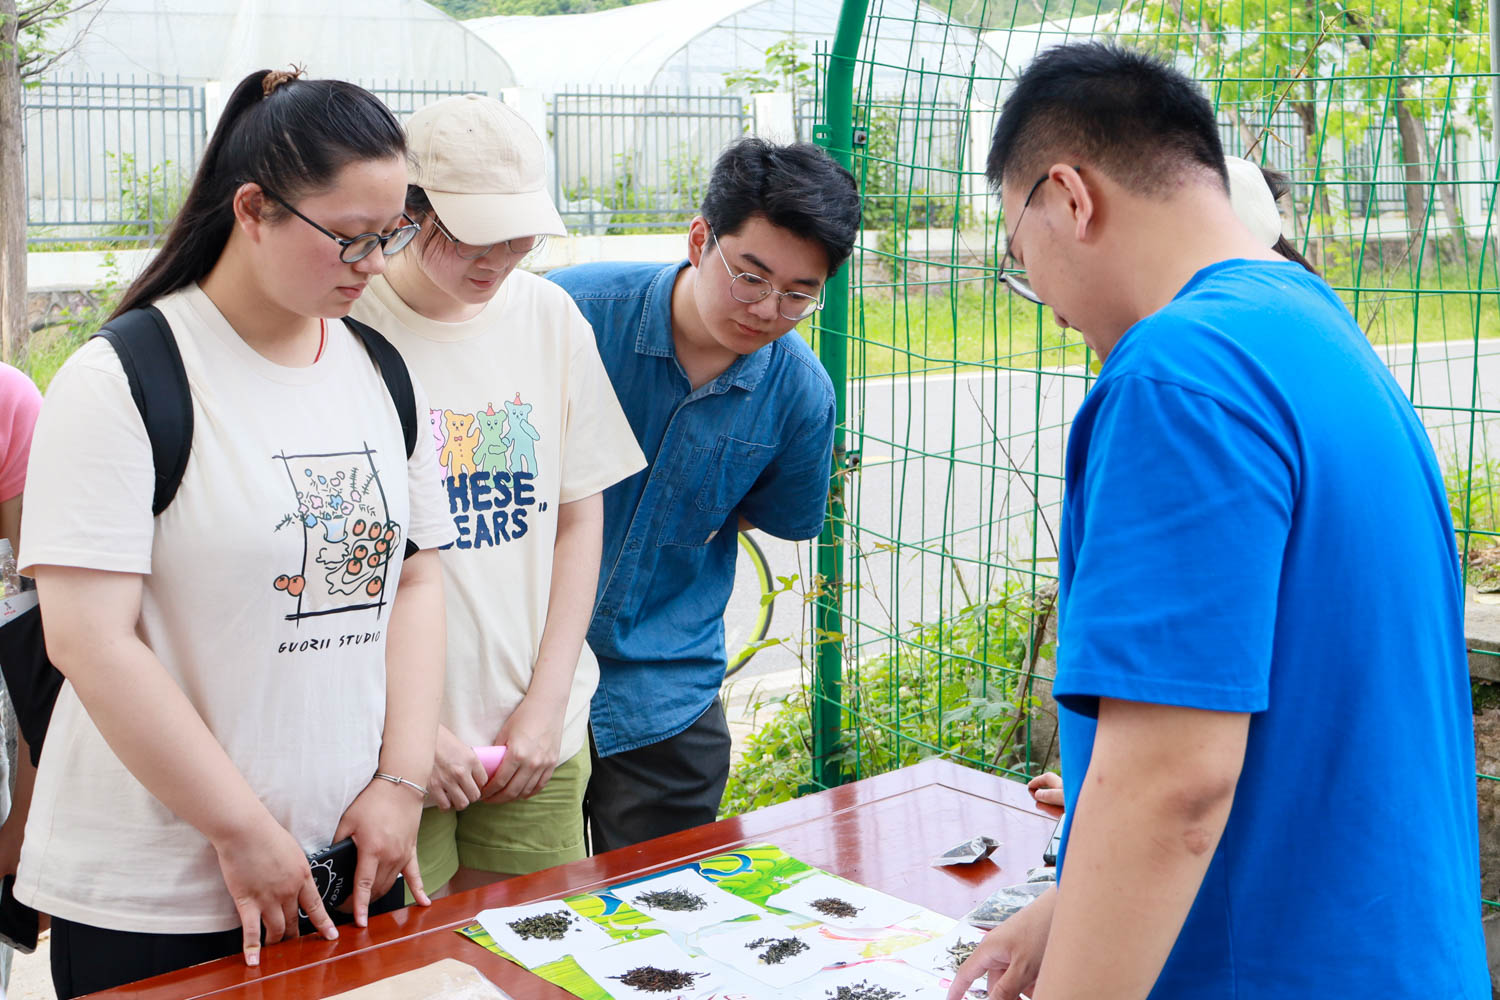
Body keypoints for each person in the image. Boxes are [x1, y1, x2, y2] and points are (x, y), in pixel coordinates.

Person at [951, 43, 1488, 1000]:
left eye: (1016, 254)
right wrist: (1069, 908)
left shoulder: (1176, 377)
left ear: (1068, 197)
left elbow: (1173, 787)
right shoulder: (1313, 326)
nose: (1043, 303)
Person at [16, 69, 452, 997]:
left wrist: (401, 783)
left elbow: (415, 579)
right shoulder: (123, 376)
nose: (374, 263)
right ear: (253, 209)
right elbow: (87, 640)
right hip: (161, 891)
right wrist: (242, 831)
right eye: (350, 237)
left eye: (392, 234)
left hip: (344, 859)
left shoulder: (380, 369)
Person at [351, 94, 644, 894]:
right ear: (409, 208)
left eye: (519, 235)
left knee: (538, 954)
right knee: (409, 966)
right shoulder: (349, 323)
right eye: (474, 236)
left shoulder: (550, 318)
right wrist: (405, 732)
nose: (498, 258)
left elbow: (580, 518)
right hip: (389, 744)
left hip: (533, 731)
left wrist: (547, 707)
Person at [548, 139, 861, 852]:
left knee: (663, 924)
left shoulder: (801, 393)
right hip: (523, 680)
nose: (766, 310)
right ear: (700, 240)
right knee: (517, 917)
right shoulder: (572, 315)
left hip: (669, 694)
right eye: (750, 277)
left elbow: (772, 514)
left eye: (798, 295)